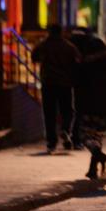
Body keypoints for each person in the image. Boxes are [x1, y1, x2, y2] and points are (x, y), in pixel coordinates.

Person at [76, 35, 106, 179]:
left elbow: (79, 86)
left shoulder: (86, 65)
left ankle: (100, 157)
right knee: (97, 136)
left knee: (84, 136)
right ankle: (93, 169)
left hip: (89, 105)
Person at [32, 24, 81, 153]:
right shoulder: (69, 46)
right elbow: (78, 62)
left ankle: (51, 142)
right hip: (65, 83)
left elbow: (34, 57)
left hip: (48, 83)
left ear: (49, 32)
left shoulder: (44, 45)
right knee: (68, 111)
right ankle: (65, 129)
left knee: (49, 113)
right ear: (61, 32)